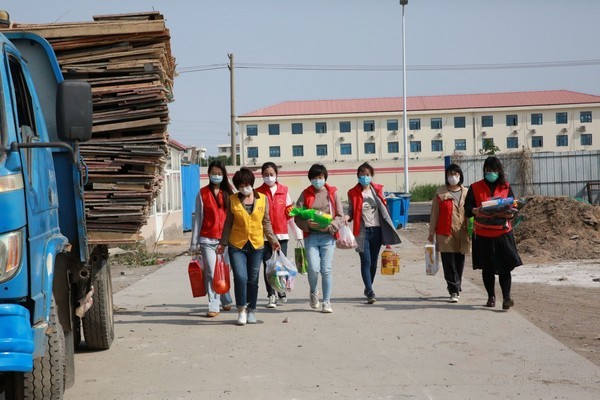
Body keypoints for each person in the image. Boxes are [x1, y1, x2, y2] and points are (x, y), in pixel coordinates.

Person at [218, 167, 280, 325]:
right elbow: (228, 224)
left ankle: (252, 310)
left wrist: (273, 240)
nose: (244, 188)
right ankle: (241, 310)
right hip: (236, 245)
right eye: (240, 185)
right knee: (240, 277)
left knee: (253, 279)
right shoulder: (232, 199)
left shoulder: (263, 199)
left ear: (251, 183)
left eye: (246, 184)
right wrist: (222, 243)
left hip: (256, 245)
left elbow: (266, 222)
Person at [464, 156, 522, 310]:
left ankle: (507, 298)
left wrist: (510, 213)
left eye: (494, 170)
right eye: (488, 170)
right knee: (487, 268)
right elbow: (467, 210)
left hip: (502, 234)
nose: (491, 173)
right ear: (484, 171)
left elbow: (513, 206)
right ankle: (491, 297)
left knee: (505, 268)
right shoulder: (475, 187)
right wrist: (475, 210)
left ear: (499, 171)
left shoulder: (506, 187)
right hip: (483, 234)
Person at [346, 162, 401, 304]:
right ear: (357, 176)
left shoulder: (377, 190)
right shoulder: (352, 192)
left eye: (367, 174)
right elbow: (351, 211)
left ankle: (368, 286)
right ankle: (370, 291)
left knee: (373, 263)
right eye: (362, 175)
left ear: (371, 176)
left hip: (377, 230)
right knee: (366, 261)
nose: (364, 177)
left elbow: (384, 210)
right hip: (362, 231)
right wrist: (347, 217)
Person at [294, 164, 344, 313]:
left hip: (328, 237)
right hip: (311, 237)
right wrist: (307, 223)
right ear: (310, 179)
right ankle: (314, 291)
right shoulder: (305, 194)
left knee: (326, 269)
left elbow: (340, 216)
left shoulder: (332, 193)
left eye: (320, 177)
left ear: (325, 177)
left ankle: (327, 302)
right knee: (314, 269)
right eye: (314, 178)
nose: (318, 180)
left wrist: (330, 227)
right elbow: (296, 215)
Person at [189, 160, 233, 317]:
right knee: (211, 272)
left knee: (224, 271)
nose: (216, 176)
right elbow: (198, 218)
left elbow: (234, 217)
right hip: (207, 239)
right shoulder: (202, 193)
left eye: (219, 174)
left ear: (224, 175)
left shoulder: (229, 193)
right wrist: (194, 243)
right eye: (213, 173)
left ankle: (226, 299)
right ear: (208, 174)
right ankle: (214, 305)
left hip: (226, 240)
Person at [256, 162, 303, 309]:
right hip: (264, 236)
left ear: (276, 175)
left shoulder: (284, 191)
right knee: (268, 266)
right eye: (266, 175)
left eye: (271, 174)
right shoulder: (258, 192)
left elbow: (290, 214)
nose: (269, 177)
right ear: (262, 175)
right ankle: (271, 295)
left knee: (281, 265)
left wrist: (298, 234)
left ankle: (281, 289)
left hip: (282, 235)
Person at [428, 163, 471, 303]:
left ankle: (456, 285)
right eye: (450, 174)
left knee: (459, 261)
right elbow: (434, 213)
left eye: (456, 174)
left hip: (462, 232)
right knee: (449, 262)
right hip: (445, 233)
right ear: (446, 177)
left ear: (460, 176)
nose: (453, 177)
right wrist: (431, 232)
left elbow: (471, 213)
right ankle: (453, 290)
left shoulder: (467, 192)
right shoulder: (440, 193)